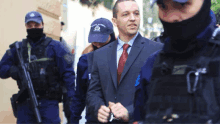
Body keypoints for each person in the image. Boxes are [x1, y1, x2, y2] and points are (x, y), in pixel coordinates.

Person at [133, 0, 220, 123]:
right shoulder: (152, 64)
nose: (173, 17)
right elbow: (139, 117)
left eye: (183, 5)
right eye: (163, 6)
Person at [86, 0, 163, 123]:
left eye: (136, 13)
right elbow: (93, 92)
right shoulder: (100, 54)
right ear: (114, 21)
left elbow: (160, 95)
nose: (132, 18)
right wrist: (98, 108)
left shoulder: (156, 50)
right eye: (125, 14)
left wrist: (130, 113)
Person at [0, 11, 76, 124]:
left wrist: (69, 102)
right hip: (25, 104)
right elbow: (2, 69)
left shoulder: (55, 47)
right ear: (25, 26)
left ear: (42, 24)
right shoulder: (19, 48)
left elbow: (68, 75)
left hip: (49, 104)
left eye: (36, 25)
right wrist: (14, 71)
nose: (33, 28)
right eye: (30, 26)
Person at [72, 18, 116, 124]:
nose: (98, 44)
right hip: (93, 119)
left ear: (112, 36)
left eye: (102, 40)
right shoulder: (85, 61)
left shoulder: (122, 57)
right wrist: (73, 120)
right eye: (95, 40)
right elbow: (79, 96)